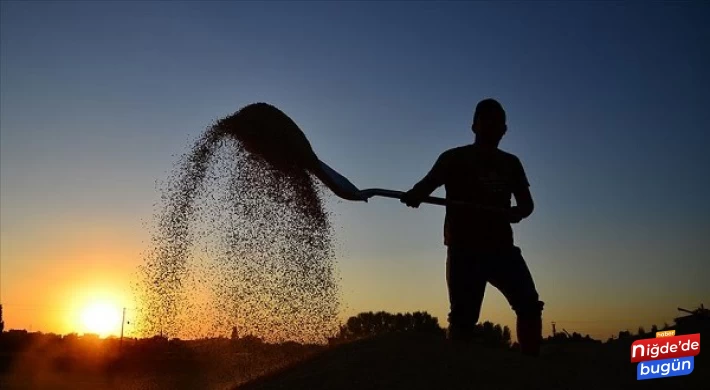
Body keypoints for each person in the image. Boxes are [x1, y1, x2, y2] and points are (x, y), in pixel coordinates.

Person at [400, 98, 544, 356]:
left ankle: (530, 361)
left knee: (529, 305)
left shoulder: (511, 163)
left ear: (504, 129)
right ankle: (457, 370)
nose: (492, 127)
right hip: (464, 250)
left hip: (502, 248)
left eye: (497, 123)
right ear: (474, 126)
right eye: (486, 121)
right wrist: (414, 195)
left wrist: (517, 213)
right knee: (463, 320)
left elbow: (527, 204)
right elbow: (426, 186)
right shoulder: (453, 158)